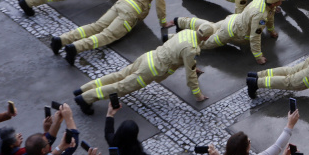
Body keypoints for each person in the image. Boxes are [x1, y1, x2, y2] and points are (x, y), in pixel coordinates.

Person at [75, 24, 211, 114]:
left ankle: (83, 89)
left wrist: (189, 63)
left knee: (119, 75)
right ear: (206, 37)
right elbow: (190, 76)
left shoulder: (187, 32)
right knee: (120, 87)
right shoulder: (191, 49)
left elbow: (175, 46)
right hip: (151, 70)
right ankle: (86, 98)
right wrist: (198, 95)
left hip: (148, 57)